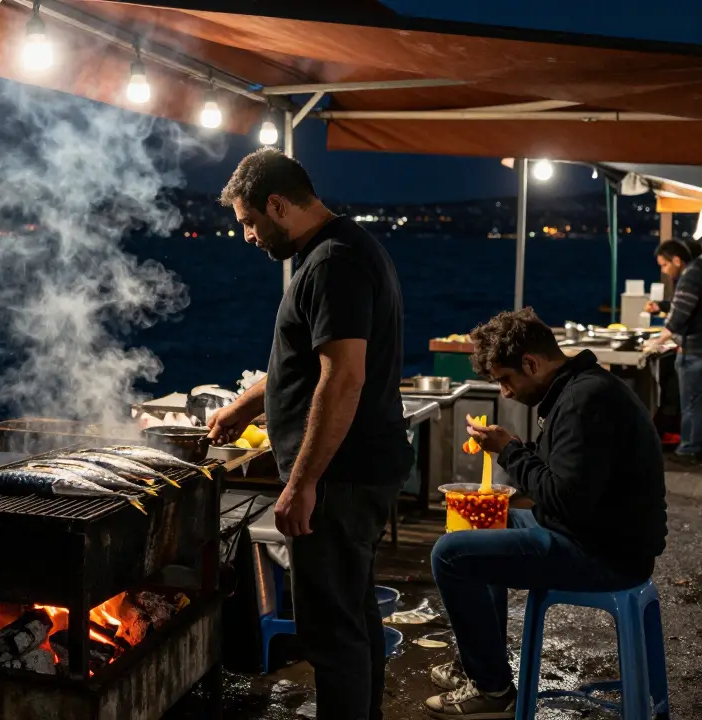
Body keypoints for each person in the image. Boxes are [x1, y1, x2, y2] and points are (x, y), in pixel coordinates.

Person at [207, 148, 413, 720]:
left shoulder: (331, 265)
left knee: (331, 632)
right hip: (360, 469)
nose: (248, 236)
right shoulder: (343, 249)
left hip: (341, 478)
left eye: (250, 221)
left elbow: (343, 378)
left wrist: (302, 484)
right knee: (354, 614)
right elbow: (304, 358)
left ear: (278, 205)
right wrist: (245, 408)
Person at [423, 308, 667, 719]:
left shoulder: (584, 400)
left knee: (451, 555)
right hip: (592, 534)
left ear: (531, 363)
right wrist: (519, 455)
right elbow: (568, 478)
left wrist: (511, 452)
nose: (505, 392)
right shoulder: (579, 389)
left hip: (604, 554)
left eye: (506, 379)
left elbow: (563, 497)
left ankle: (493, 690)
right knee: (488, 523)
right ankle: (479, 664)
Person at [645, 239, 702, 460]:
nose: (664, 271)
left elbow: (679, 315)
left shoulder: (691, 274)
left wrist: (656, 342)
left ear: (677, 260)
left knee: (691, 404)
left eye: (664, 265)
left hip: (695, 351)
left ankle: (688, 450)